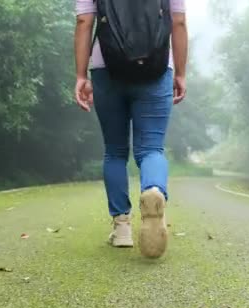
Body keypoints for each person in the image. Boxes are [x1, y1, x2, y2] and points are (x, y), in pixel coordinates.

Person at [74, 0, 188, 258]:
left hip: (106, 68)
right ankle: (154, 190)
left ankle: (122, 227)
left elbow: (84, 22)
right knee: (151, 148)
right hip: (156, 67)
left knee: (114, 151)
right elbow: (178, 21)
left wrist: (81, 76)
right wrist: (180, 73)